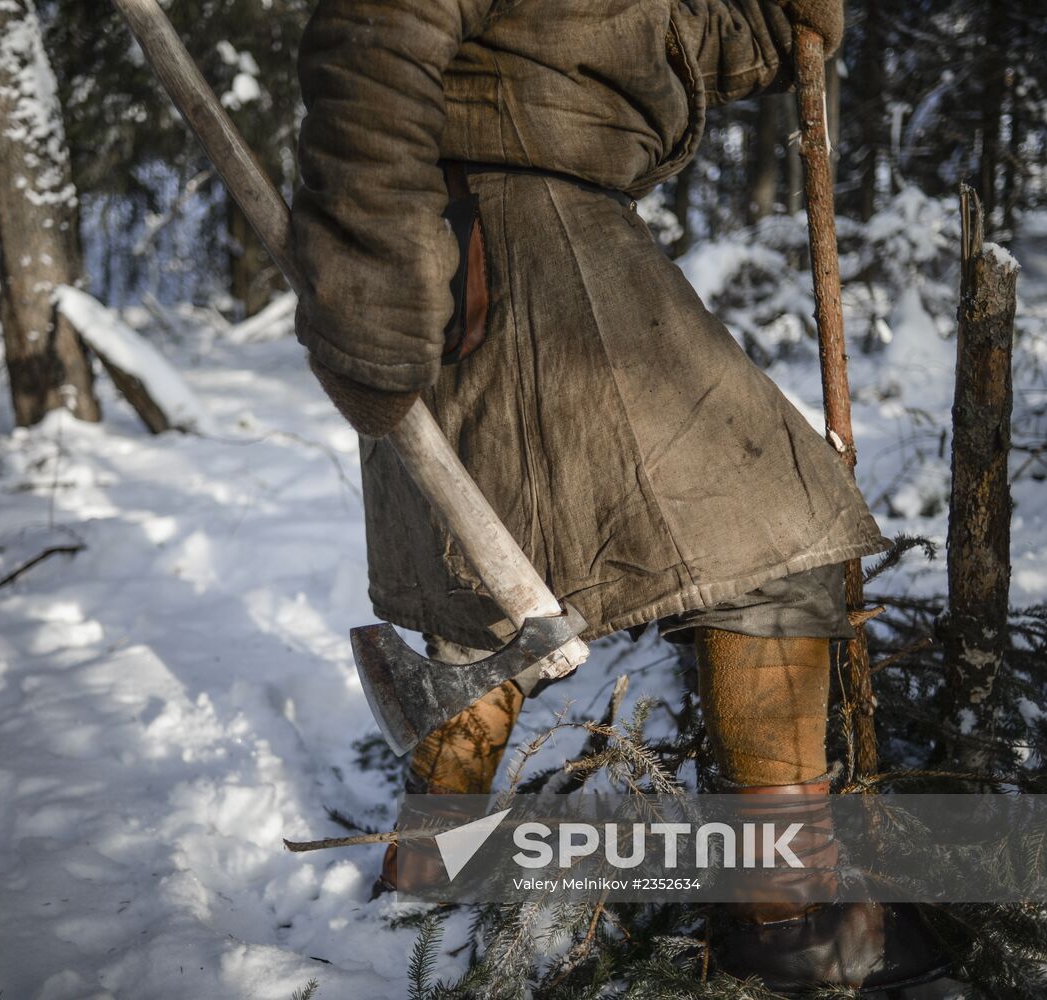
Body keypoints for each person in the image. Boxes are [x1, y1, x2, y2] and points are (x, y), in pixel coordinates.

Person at [288, 0, 948, 990]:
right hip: (499, 241)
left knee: (495, 595)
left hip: (538, 230)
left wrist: (783, 20)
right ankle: (785, 915)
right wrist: (375, 283)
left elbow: (673, 34)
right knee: (772, 533)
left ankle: (430, 867)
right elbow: (374, 41)